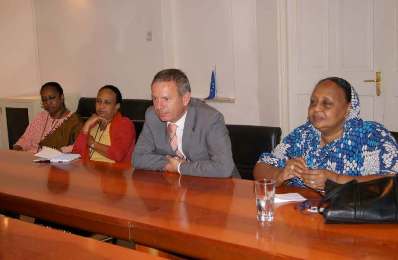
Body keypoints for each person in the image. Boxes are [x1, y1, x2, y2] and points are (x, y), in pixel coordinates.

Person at [254, 77, 398, 190]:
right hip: (304, 215)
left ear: (348, 108)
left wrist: (336, 179)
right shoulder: (302, 135)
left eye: (326, 103)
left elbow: (392, 179)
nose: (316, 109)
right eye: (313, 102)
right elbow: (261, 167)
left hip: (356, 219)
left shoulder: (372, 136)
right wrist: (279, 175)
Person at [133, 68, 238, 178]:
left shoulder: (210, 119)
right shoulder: (152, 115)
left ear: (185, 99)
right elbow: (138, 158)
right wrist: (169, 165)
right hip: (177, 184)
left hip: (219, 187)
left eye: (166, 99)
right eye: (155, 98)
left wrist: (180, 167)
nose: (158, 106)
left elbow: (223, 168)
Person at [73, 85, 135, 164]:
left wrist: (92, 143)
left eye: (107, 102)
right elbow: (76, 153)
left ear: (117, 106)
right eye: (98, 101)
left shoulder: (125, 124)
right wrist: (86, 127)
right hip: (87, 170)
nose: (101, 106)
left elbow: (118, 155)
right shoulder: (92, 123)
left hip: (113, 173)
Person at [13, 82, 82, 153]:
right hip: (29, 157)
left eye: (51, 98)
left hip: (52, 160)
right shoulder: (41, 116)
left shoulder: (74, 121)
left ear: (61, 97)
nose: (48, 103)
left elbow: (78, 146)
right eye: (44, 100)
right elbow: (26, 139)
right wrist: (17, 149)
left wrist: (58, 151)